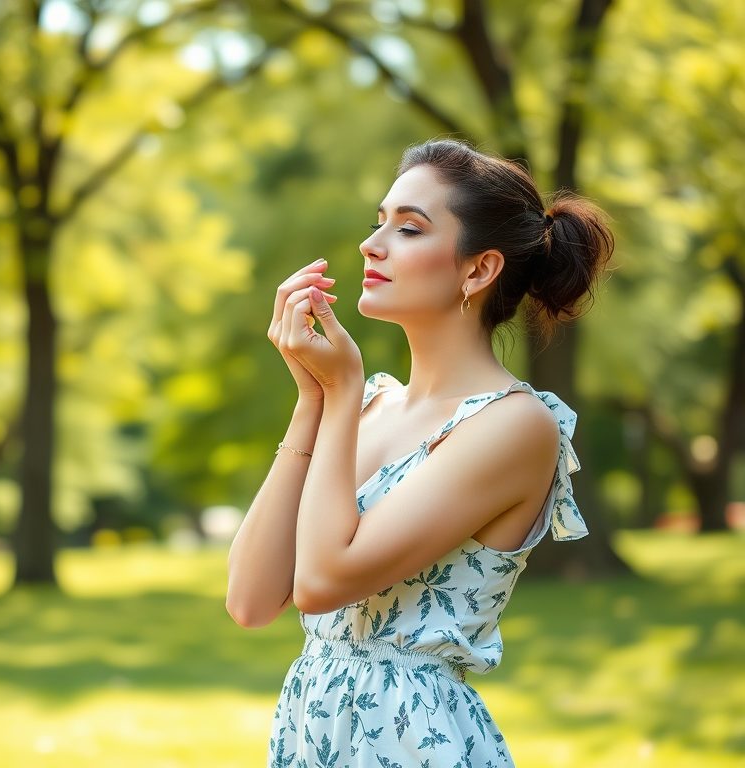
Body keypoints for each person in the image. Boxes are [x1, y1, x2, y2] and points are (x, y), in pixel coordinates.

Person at [225, 138, 614, 768]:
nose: (371, 245)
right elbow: (250, 599)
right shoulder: (370, 408)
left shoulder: (514, 426)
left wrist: (342, 389)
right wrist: (313, 399)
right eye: (378, 222)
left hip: (412, 741)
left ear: (478, 270)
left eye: (409, 228)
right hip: (314, 737)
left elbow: (322, 582)